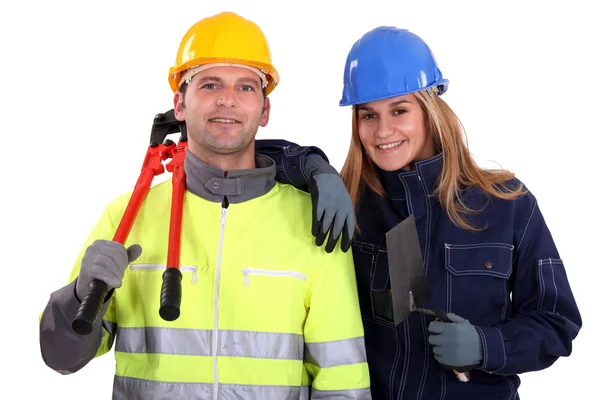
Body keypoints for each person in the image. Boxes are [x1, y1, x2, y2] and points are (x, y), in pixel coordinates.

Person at [38, 11, 371, 400]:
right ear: (179, 105)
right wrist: (77, 296)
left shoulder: (313, 223)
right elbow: (61, 358)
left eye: (246, 87)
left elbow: (342, 380)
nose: (227, 99)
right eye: (210, 84)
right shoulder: (125, 217)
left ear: (265, 111)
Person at [254, 26, 582, 399]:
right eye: (368, 115)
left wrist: (487, 346)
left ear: (430, 110)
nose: (383, 131)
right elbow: (245, 154)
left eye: (399, 110)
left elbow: (557, 322)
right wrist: (313, 166)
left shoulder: (507, 203)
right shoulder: (347, 204)